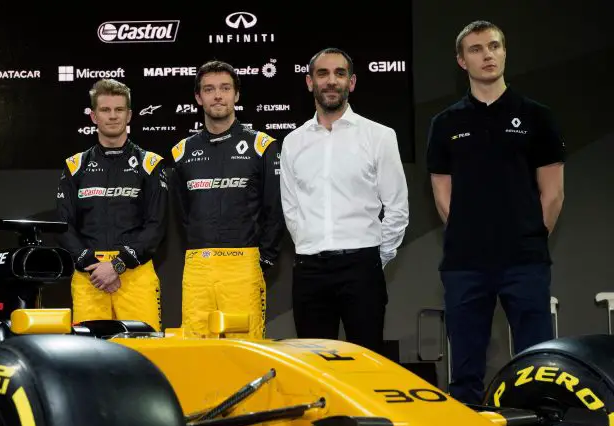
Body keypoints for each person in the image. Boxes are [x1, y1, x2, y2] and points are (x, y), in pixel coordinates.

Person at [426, 21, 565, 405]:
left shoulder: (537, 116)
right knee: (465, 371)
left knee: (537, 363)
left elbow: (553, 192)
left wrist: (528, 236)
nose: (487, 55)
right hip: (465, 264)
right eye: (476, 49)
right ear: (462, 60)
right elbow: (442, 193)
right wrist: (471, 233)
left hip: (525, 261)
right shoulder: (445, 123)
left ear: (504, 52)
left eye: (494, 46)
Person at [279, 47, 409, 353]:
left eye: (339, 73)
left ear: (351, 82)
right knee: (314, 366)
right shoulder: (293, 142)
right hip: (309, 270)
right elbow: (291, 208)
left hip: (362, 268)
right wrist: (310, 245)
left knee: (366, 362)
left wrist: (376, 259)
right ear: (309, 82)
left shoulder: (380, 136)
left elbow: (397, 208)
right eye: (322, 73)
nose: (331, 81)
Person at [170, 60, 284, 339]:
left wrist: (263, 259)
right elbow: (183, 214)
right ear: (198, 97)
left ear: (237, 95)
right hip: (198, 264)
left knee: (245, 349)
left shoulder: (262, 146)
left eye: (225, 88)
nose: (217, 95)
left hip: (244, 264)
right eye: (209, 89)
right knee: (196, 349)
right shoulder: (182, 151)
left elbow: (275, 209)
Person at [56, 78, 168, 330]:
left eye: (119, 109)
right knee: (90, 351)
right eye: (105, 110)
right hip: (90, 276)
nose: (113, 116)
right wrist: (94, 267)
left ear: (129, 115)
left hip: (136, 275)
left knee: (144, 349)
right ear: (93, 116)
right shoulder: (75, 166)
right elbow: (63, 225)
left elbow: (156, 226)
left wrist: (117, 265)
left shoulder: (150, 163)